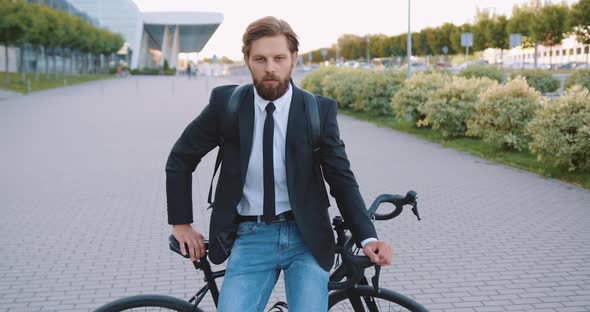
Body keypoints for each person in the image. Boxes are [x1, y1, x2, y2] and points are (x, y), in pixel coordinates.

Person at [165, 16, 392, 311]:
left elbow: (341, 179)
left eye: (279, 58)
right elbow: (180, 158)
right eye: (260, 58)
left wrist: (367, 236)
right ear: (247, 59)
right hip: (250, 237)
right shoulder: (227, 105)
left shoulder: (318, 111)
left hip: (306, 238)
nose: (270, 67)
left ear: (293, 59)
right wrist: (181, 224)